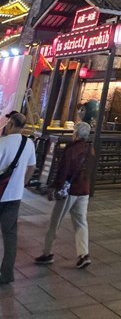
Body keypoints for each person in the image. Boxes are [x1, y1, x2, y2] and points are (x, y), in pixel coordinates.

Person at [35, 122, 95, 269]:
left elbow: (63, 171)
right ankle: (83, 254)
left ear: (76, 134)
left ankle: (48, 253)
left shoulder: (71, 150)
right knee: (81, 223)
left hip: (69, 190)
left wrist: (55, 188)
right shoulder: (90, 149)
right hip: (84, 190)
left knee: (55, 222)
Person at [0, 112, 37, 285]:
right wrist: (21, 184)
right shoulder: (28, 143)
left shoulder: (3, 143)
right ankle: (7, 274)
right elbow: (32, 167)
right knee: (10, 235)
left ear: (11, 124)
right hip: (14, 196)